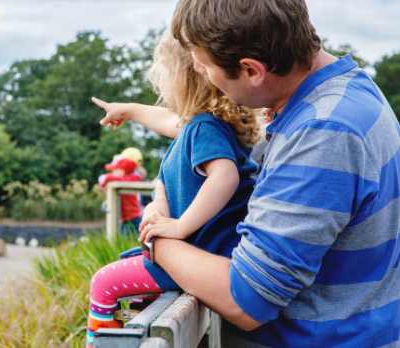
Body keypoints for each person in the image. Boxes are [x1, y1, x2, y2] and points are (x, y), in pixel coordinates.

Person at [126, 0, 400, 346]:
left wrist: (158, 238)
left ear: (252, 70)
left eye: (204, 62)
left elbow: (247, 298)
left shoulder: (323, 132)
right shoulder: (348, 91)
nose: (195, 68)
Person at [85, 29, 263, 347]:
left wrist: (178, 226)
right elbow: (168, 122)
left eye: (163, 76)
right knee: (138, 302)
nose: (161, 87)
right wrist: (128, 110)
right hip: (205, 251)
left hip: (202, 252)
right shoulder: (205, 124)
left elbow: (225, 177)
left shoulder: (204, 127)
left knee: (104, 283)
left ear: (184, 79)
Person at [98, 154, 143, 235]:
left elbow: (108, 178)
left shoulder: (131, 178)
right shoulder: (124, 179)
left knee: (135, 241)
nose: (112, 172)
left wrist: (105, 180)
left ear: (122, 171)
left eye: (114, 170)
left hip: (133, 219)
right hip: (124, 219)